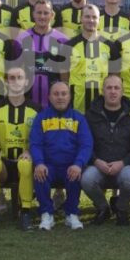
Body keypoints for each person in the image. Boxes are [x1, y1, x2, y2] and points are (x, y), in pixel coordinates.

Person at [30, 81, 93, 231]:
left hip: (70, 165)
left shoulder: (78, 118)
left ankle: (71, 214)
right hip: (48, 165)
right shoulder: (41, 118)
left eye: (64, 94)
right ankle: (47, 213)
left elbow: (86, 144)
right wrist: (39, 162)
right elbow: (35, 143)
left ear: (69, 96)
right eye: (56, 94)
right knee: (40, 174)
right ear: (49, 97)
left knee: (75, 174)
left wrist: (78, 163)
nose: (60, 97)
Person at [0, 66, 41, 231]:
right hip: (4, 162)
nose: (16, 81)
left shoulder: (36, 109)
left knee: (25, 164)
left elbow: (40, 137)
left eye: (19, 78)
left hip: (26, 159)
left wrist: (29, 151)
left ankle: (25, 213)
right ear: (6, 82)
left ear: (26, 82)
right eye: (12, 78)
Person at [82, 75, 130, 226]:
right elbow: (84, 145)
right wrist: (96, 161)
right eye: (109, 88)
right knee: (87, 179)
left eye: (116, 88)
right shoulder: (90, 115)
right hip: (98, 165)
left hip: (123, 166)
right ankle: (103, 208)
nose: (113, 91)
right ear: (102, 91)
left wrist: (123, 163)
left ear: (122, 91)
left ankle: (121, 208)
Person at [64, 4, 117, 113]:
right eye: (87, 17)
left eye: (94, 17)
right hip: (77, 104)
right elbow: (64, 75)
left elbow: (114, 76)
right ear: (81, 19)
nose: (91, 20)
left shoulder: (110, 46)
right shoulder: (70, 45)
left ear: (99, 20)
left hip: (102, 105)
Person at [16, 0, 68, 108]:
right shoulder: (21, 38)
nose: (42, 16)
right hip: (27, 100)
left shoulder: (62, 40)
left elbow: (65, 74)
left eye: (46, 13)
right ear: (33, 14)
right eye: (39, 12)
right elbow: (16, 69)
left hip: (53, 102)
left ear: (52, 15)